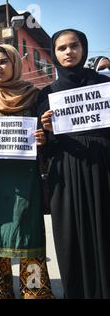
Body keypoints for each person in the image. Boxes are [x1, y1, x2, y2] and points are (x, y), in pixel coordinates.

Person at [0, 44, 53, 299]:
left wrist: (44, 138)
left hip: (26, 182)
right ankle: (0, 293)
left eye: (3, 62)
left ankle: (34, 292)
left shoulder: (36, 96)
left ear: (15, 64)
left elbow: (47, 141)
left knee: (29, 239)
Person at [38, 29, 110, 299]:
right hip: (65, 174)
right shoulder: (46, 95)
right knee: (71, 238)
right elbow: (42, 146)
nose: (69, 52)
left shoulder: (103, 86)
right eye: (62, 48)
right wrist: (46, 130)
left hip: (103, 169)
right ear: (54, 54)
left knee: (104, 233)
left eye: (74, 46)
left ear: (84, 49)